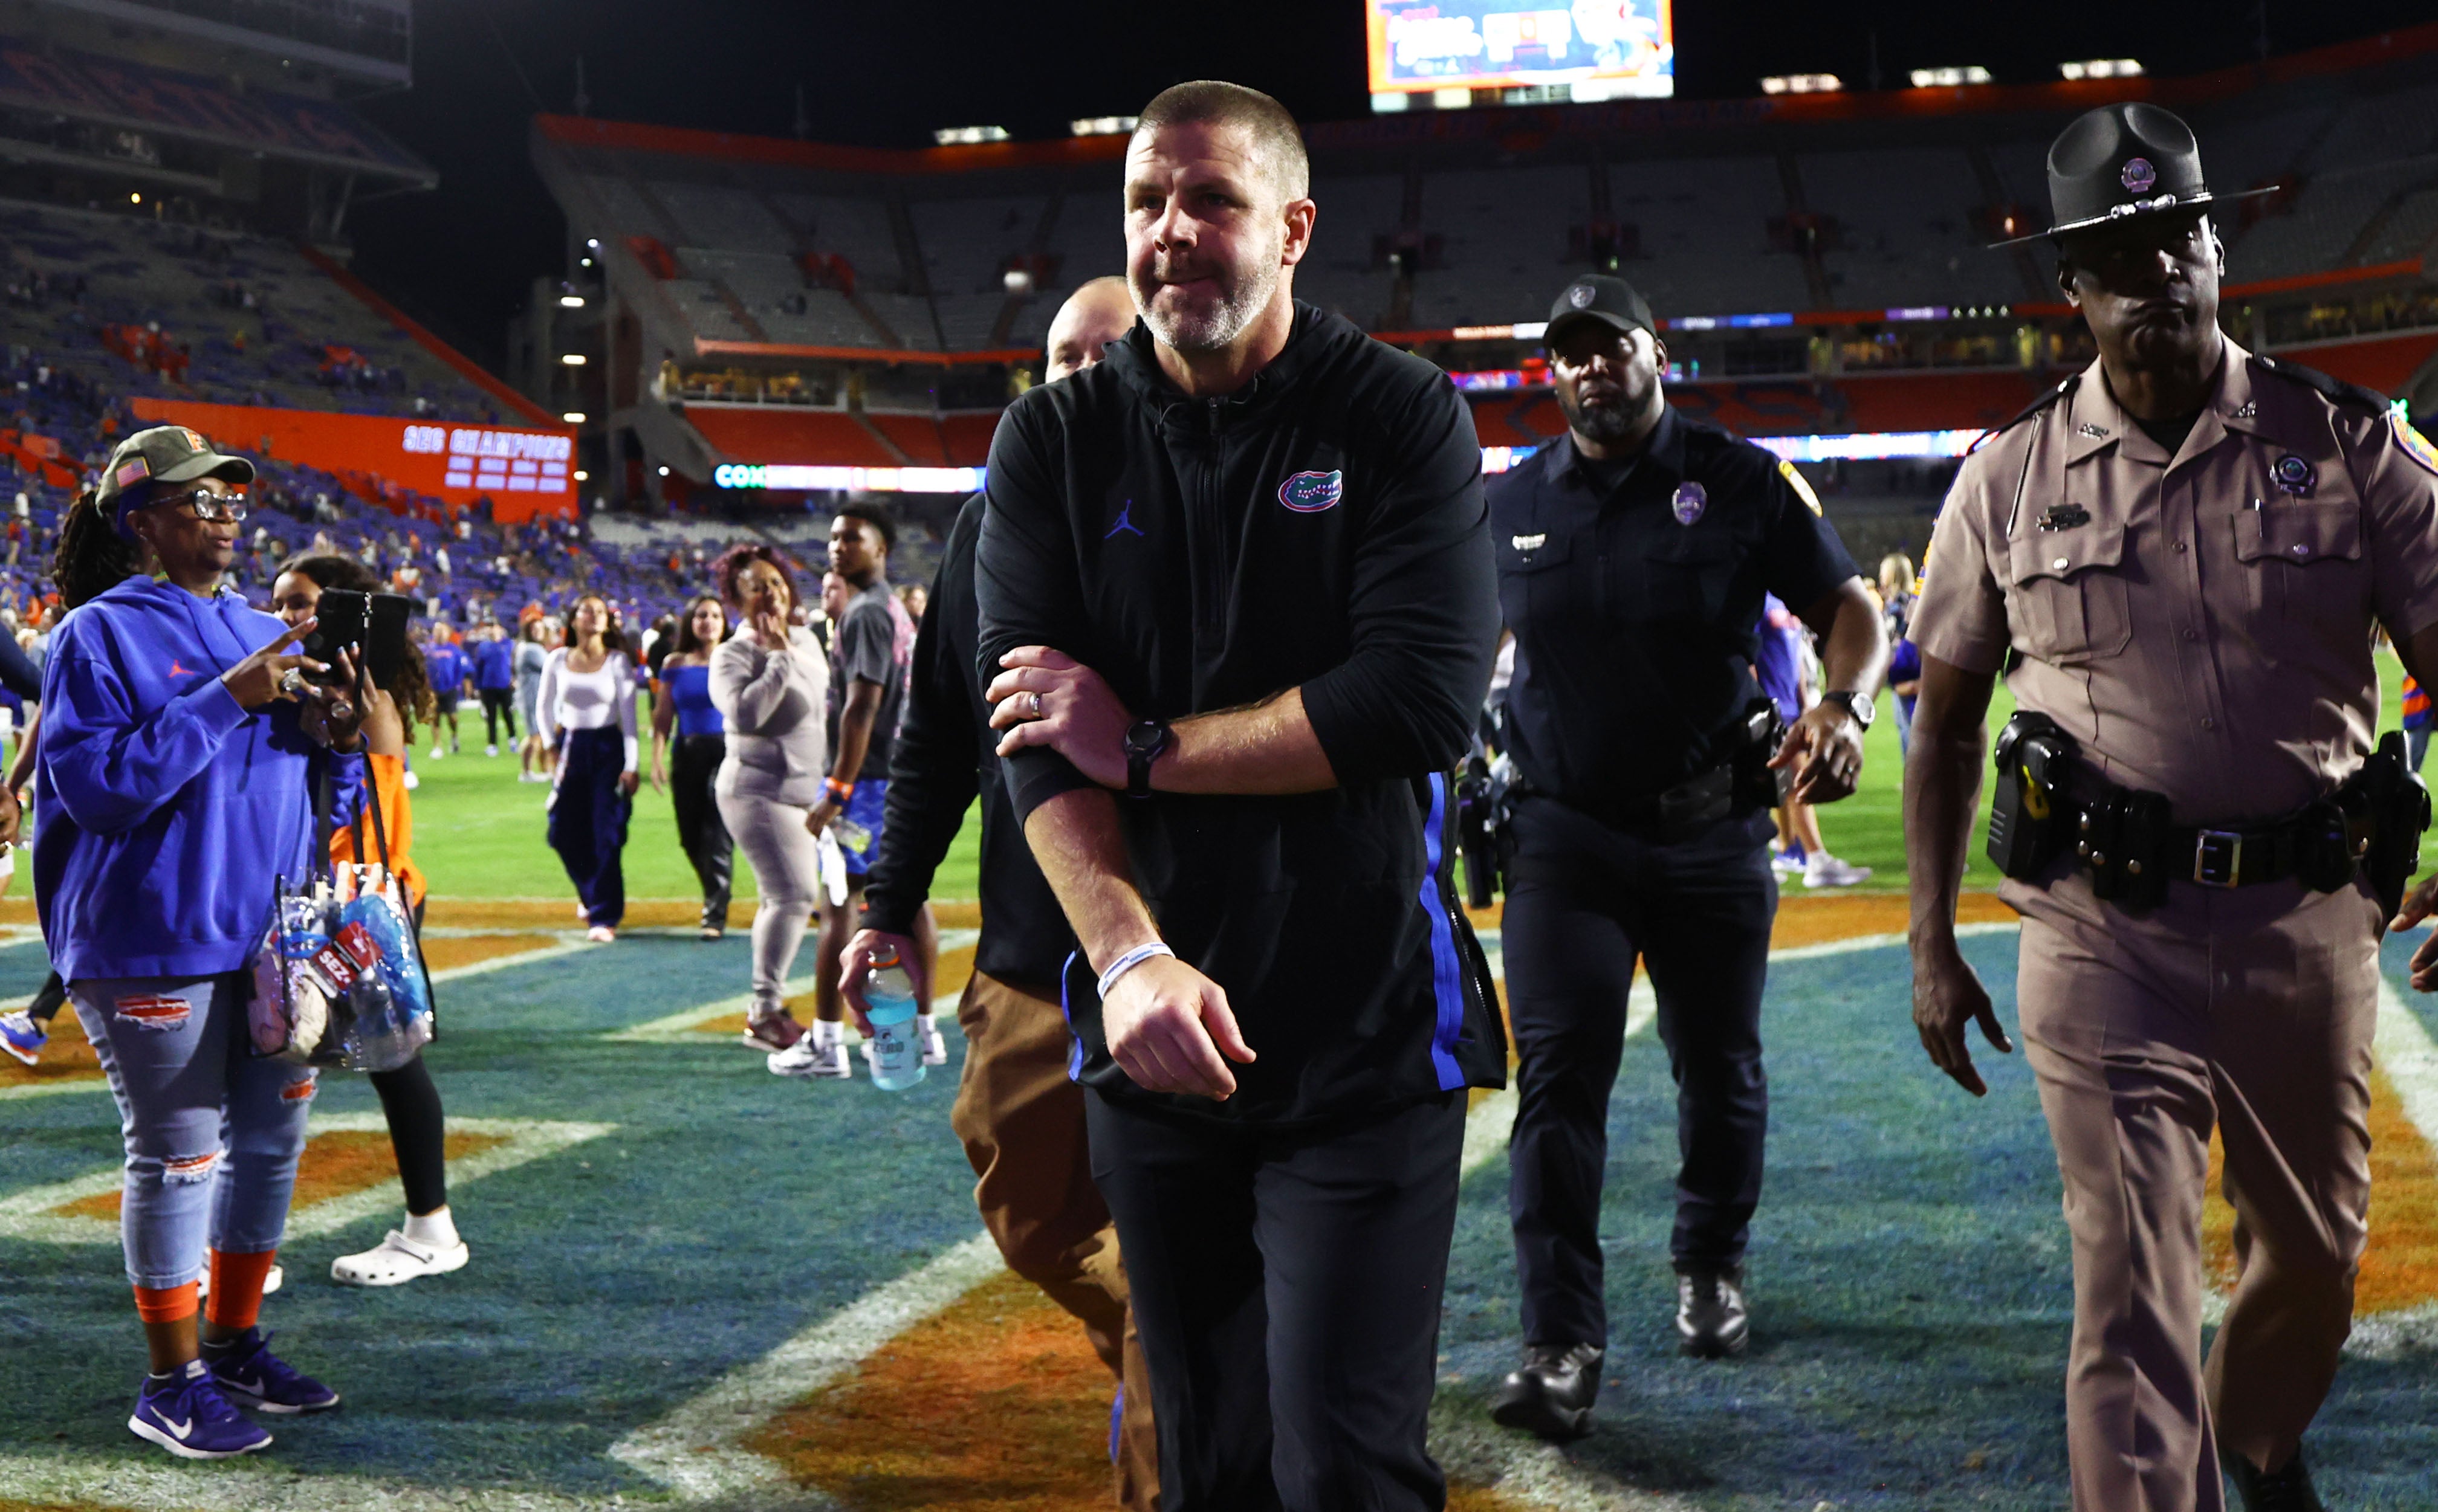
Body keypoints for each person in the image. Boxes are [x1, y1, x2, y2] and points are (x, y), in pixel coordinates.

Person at [974, 82, 1503, 1510]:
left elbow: (1414, 703)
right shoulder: (1051, 444)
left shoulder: (1400, 413)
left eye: (1209, 200)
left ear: (1294, 225)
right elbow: (1032, 738)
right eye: (1149, 202)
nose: (1172, 235)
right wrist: (1130, 956)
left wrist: (1141, 744)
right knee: (1208, 1466)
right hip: (1153, 1036)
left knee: (1347, 1466)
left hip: (1365, 1035)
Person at [1906, 102, 2438, 1512]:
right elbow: (1945, 721)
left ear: (2221, 248)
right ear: (2071, 288)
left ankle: (2259, 1441)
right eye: (2120, 256)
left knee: (2316, 1262)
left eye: (2180, 239)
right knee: (2133, 1279)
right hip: (2102, 934)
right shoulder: (2004, 480)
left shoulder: (2352, 448)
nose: (2159, 276)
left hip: (2306, 920)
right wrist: (1926, 937)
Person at [1483, 273, 1885, 1441]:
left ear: (1657, 353)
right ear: (1549, 374)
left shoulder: (1739, 480)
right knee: (1558, 1084)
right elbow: (1457, 652)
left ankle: (1710, 1258)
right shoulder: (1509, 503)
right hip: (1561, 836)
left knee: (1719, 1069)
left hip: (1712, 826)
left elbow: (1848, 609)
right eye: (1566, 354)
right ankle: (1558, 1339)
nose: (1588, 369)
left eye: (1607, 347)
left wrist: (1846, 710)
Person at [845, 274, 1158, 1505]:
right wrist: (885, 909)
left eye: (1106, 353)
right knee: (1033, 1221)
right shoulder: (991, 521)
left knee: (1177, 1260)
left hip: (1181, 950)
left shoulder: (1208, 507)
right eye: (1061, 358)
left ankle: (1176, 1381)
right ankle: (1172, 1341)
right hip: (1031, 956)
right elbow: (932, 743)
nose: (1080, 375)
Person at [41, 425, 365, 1457]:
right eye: (201, 501)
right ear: (143, 521)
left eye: (233, 502)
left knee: (270, 1149)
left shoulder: (262, 625)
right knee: (179, 1155)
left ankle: (231, 1346)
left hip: (264, 934)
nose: (226, 516)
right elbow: (97, 789)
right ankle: (169, 1380)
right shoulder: (95, 632)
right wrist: (228, 699)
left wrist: (337, 739)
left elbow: (311, 800)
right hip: (151, 932)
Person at [269, 555, 471, 1287]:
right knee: (352, 1064)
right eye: (282, 605)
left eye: (304, 606)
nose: (290, 619)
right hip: (352, 903)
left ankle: (431, 1229)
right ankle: (426, 1228)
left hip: (354, 910)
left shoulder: (364, 699)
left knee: (388, 1062)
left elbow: (361, 819)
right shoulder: (321, 690)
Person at [770, 505, 941, 1078]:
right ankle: (922, 1031)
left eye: (852, 538)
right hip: (892, 775)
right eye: (834, 537)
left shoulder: (866, 612)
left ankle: (826, 1043)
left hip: (864, 781)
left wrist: (836, 790)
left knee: (840, 907)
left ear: (881, 547)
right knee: (906, 901)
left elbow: (862, 704)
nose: (838, 546)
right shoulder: (890, 608)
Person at [707, 546, 831, 1057]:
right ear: (736, 598)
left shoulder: (805, 637)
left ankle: (768, 1007)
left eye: (776, 582)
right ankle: (764, 1011)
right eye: (757, 586)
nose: (771, 593)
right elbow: (745, 714)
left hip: (803, 792)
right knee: (794, 896)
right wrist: (777, 657)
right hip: (757, 791)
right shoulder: (732, 654)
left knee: (784, 897)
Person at [535, 594, 638, 942]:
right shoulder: (558, 660)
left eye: (599, 611)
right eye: (585, 610)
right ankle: (590, 893)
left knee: (606, 832)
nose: (592, 616)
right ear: (574, 620)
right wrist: (550, 744)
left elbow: (630, 718)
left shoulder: (619, 662)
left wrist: (632, 763)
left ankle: (605, 916)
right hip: (572, 746)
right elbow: (544, 707)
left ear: (607, 622)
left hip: (609, 748)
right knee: (561, 832)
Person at [1757, 593, 1872, 888]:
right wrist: (1757, 703)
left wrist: (1805, 699)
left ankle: (1796, 856)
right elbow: (1748, 655)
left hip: (1793, 706)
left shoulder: (1783, 602)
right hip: (1770, 706)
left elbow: (1793, 656)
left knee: (1792, 784)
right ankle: (1815, 860)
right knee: (1796, 782)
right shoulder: (1758, 600)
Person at [650, 593, 735, 940]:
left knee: (717, 833)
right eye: (701, 615)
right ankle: (716, 893)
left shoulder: (735, 660)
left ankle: (714, 915)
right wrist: (656, 759)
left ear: (724, 623)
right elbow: (662, 717)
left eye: (715, 615)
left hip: (727, 752)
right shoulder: (675, 664)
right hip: (686, 753)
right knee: (690, 836)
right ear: (690, 622)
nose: (708, 621)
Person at [469, 619, 517, 757]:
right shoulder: (483, 647)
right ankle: (492, 744)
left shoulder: (509, 644)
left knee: (508, 714)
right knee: (491, 717)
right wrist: (477, 686)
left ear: (500, 628)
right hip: (488, 685)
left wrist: (515, 678)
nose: (491, 630)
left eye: (494, 627)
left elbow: (514, 663)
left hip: (505, 685)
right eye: (489, 627)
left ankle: (512, 739)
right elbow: (479, 668)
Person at [513, 617, 551, 783]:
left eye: (540, 629)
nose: (538, 632)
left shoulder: (532, 648)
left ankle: (545, 770)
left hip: (537, 697)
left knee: (541, 735)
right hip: (532, 698)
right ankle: (526, 772)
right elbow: (550, 667)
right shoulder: (531, 650)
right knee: (534, 735)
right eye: (534, 629)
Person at [422, 625, 465, 759]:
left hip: (450, 689)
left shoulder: (454, 650)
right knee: (435, 718)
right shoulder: (428, 650)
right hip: (433, 690)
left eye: (442, 632)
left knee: (453, 717)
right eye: (437, 631)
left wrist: (457, 684)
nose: (440, 634)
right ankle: (437, 746)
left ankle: (454, 737)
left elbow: (460, 669)